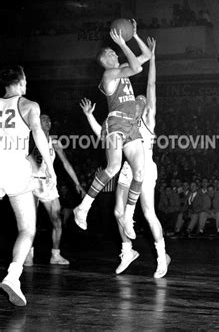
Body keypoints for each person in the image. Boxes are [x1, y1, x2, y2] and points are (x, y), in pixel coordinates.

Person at [80, 37, 170, 278]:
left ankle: (162, 257)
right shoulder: (125, 116)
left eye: (142, 101)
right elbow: (103, 134)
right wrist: (90, 117)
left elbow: (150, 86)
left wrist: (154, 58)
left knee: (149, 213)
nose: (139, 100)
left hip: (145, 168)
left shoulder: (148, 120)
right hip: (127, 168)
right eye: (137, 99)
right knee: (118, 213)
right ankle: (127, 250)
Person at [74, 19, 151, 240]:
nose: (113, 53)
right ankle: (84, 206)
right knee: (114, 166)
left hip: (130, 125)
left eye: (113, 51)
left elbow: (145, 57)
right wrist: (123, 43)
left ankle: (128, 216)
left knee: (139, 172)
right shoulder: (109, 75)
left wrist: (134, 35)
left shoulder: (123, 71)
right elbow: (137, 67)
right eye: (109, 53)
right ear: (103, 61)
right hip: (115, 123)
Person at [0, 65, 57, 306]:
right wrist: (50, 168)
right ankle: (13, 277)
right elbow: (37, 133)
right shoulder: (28, 105)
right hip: (15, 168)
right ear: (21, 81)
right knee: (27, 230)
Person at [25, 114, 86, 266]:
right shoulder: (29, 139)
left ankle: (55, 255)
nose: (48, 121)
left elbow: (65, 163)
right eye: (44, 119)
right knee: (30, 222)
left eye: (49, 119)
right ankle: (27, 254)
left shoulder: (55, 142)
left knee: (57, 221)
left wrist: (77, 183)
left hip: (49, 184)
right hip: (33, 182)